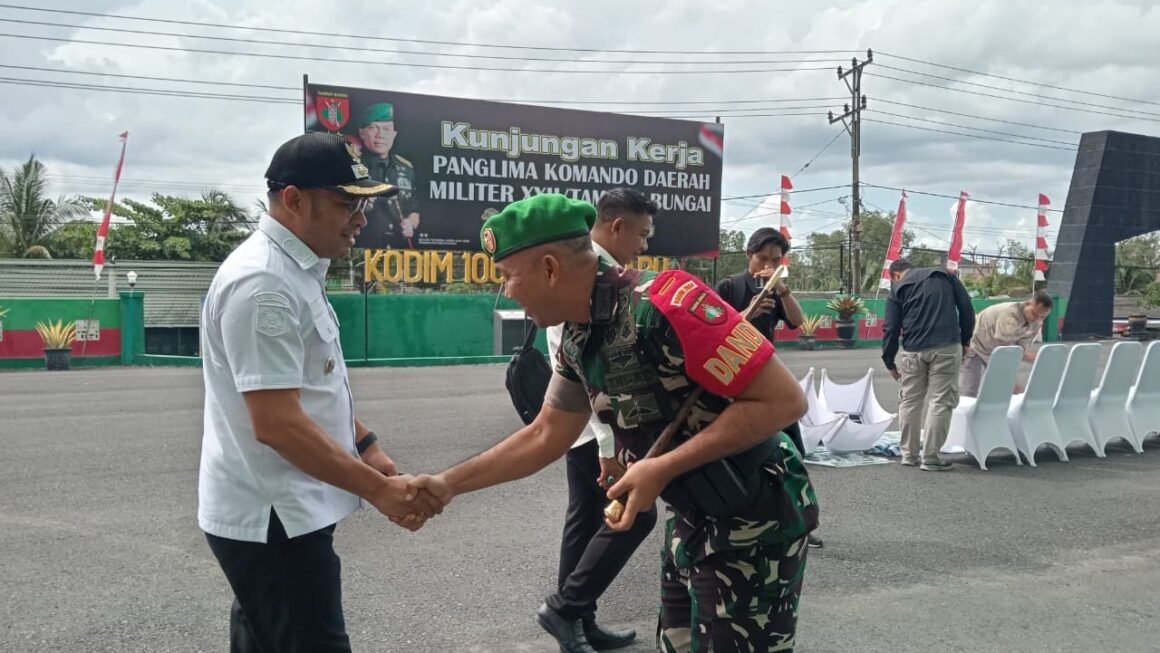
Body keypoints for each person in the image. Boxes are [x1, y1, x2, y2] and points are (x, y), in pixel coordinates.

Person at [414, 193, 819, 653]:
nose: (506, 291)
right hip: (693, 517)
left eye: (508, 276)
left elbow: (784, 401)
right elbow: (547, 433)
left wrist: (661, 467)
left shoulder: (669, 304)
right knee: (679, 642)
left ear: (550, 268)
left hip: (757, 520)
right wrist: (448, 484)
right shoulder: (576, 334)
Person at [198, 131, 441, 652]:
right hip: (274, 519)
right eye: (344, 204)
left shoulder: (294, 269)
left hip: (284, 511)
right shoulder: (263, 284)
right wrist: (377, 490)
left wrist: (367, 445)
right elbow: (277, 423)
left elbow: (313, 383)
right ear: (293, 199)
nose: (361, 220)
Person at [542, 188, 658, 652]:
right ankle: (568, 608)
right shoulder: (594, 275)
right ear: (616, 226)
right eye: (642, 234)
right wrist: (608, 448)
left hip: (585, 423)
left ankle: (578, 617)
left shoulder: (595, 268)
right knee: (636, 514)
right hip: (596, 425)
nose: (645, 245)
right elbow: (595, 369)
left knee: (588, 518)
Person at [714, 227, 824, 549]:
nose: (768, 265)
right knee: (743, 454)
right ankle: (746, 524)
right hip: (735, 380)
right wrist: (746, 315)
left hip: (769, 377)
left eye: (776, 260)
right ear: (749, 255)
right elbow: (713, 333)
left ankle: (799, 521)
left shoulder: (776, 288)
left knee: (792, 451)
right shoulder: (729, 286)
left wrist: (784, 291)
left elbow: (797, 323)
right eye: (763, 258)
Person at [881, 259, 976, 471]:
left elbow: (890, 327)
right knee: (940, 401)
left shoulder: (898, 287)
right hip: (946, 347)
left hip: (913, 350)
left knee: (910, 401)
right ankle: (931, 457)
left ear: (895, 275)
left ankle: (909, 454)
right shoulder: (946, 276)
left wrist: (889, 360)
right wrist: (965, 341)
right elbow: (966, 308)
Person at [960, 292, 1052, 397]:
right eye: (1035, 314)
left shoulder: (1037, 322)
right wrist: (1010, 380)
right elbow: (1005, 349)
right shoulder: (1011, 314)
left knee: (1005, 390)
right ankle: (964, 411)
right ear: (1027, 304)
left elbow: (1020, 349)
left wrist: (1039, 360)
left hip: (995, 347)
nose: (1037, 318)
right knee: (970, 389)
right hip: (977, 342)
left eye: (1042, 317)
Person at [355, 102, 420, 248]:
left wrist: (411, 223)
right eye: (373, 128)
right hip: (360, 253)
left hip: (398, 254)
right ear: (362, 133)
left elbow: (415, 211)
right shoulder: (352, 165)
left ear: (394, 134)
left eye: (386, 129)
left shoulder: (406, 168)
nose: (380, 135)